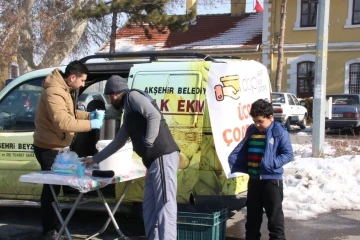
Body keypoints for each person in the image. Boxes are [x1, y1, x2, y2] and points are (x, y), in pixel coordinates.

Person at [83, 75, 180, 240]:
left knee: (165, 205)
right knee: (149, 208)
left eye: (108, 97)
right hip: (152, 162)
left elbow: (154, 115)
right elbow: (118, 142)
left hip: (162, 156)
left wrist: (148, 143)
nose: (108, 101)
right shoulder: (128, 113)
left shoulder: (133, 96)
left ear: (115, 94)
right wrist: (95, 159)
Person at [33, 60, 104, 239]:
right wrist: (91, 124)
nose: (82, 84)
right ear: (72, 77)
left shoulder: (64, 90)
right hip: (49, 148)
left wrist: (89, 114)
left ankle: (55, 226)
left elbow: (70, 114)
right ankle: (49, 230)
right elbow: (63, 122)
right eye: (82, 81)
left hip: (58, 147)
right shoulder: (54, 92)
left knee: (54, 190)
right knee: (51, 191)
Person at [228, 99, 293, 240]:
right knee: (252, 219)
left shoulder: (278, 131)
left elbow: (288, 154)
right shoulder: (252, 130)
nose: (257, 125)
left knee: (275, 219)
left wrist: (271, 164)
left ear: (270, 117)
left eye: (260, 121)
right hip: (254, 180)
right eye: (254, 121)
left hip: (271, 182)